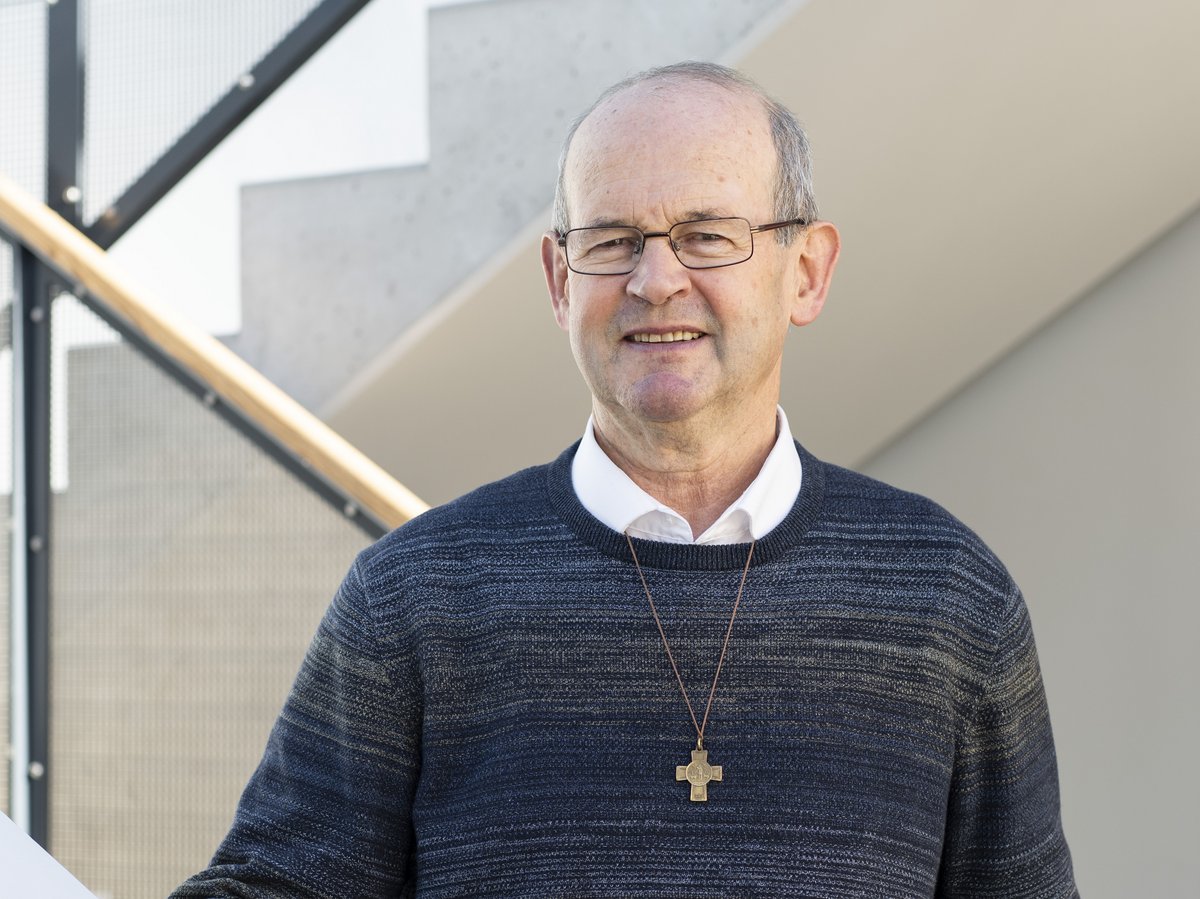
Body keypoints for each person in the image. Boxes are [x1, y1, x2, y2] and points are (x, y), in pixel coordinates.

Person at [172, 62, 1077, 897]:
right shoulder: (414, 596)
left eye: (707, 236)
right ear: (559, 280)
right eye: (612, 240)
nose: (655, 279)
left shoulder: (947, 594)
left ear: (806, 271)